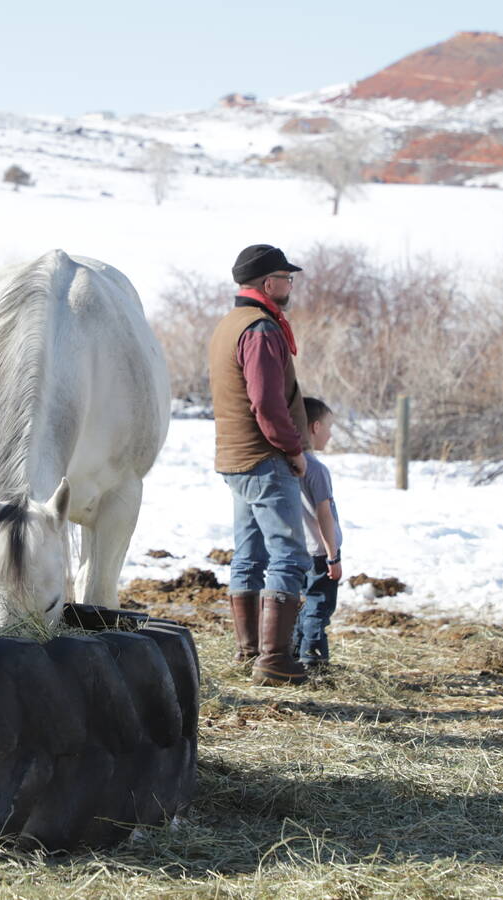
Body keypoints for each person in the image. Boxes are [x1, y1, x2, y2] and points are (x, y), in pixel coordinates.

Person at [208, 244, 311, 686]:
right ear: (269, 283)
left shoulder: (229, 324)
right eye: (287, 278)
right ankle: (273, 660)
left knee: (249, 557)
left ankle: (249, 651)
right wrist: (293, 448)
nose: (291, 285)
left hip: (235, 458)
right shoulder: (261, 329)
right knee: (289, 555)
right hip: (264, 458)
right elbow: (266, 403)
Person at [292, 396, 343, 673]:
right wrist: (333, 556)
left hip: (298, 550)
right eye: (328, 427)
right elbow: (324, 514)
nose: (330, 433)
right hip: (320, 552)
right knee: (319, 606)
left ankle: (295, 650)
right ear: (314, 427)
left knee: (303, 604)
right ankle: (313, 658)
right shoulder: (317, 470)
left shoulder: (288, 466)